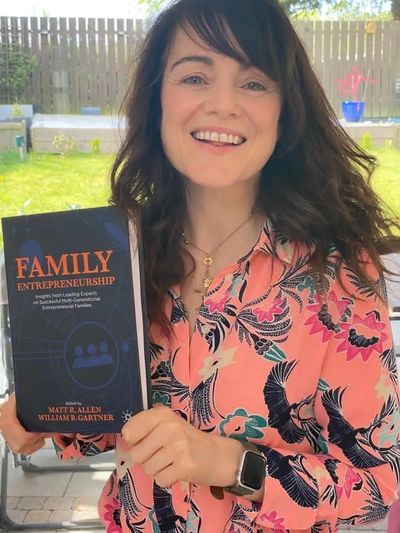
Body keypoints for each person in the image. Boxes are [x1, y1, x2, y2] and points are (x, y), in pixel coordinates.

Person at [1, 0, 400, 531]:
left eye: (254, 83)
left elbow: (377, 484)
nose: (223, 104)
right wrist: (42, 417)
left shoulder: (339, 273)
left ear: (285, 112)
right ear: (157, 100)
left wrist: (227, 463)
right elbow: (111, 416)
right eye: (195, 76)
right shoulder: (115, 253)